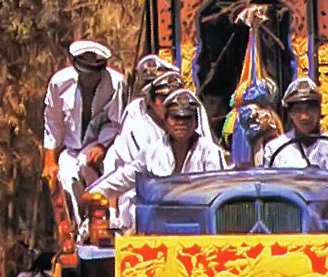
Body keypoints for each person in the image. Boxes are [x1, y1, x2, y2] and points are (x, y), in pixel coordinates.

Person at [85, 89, 226, 229]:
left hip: (200, 225)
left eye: (187, 118)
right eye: (176, 117)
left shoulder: (210, 152)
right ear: (165, 121)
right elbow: (125, 177)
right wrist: (96, 192)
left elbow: (220, 192)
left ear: (196, 122)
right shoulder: (152, 152)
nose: (181, 123)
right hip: (158, 224)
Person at [42, 40, 125, 226]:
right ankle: (79, 230)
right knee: (67, 175)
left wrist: (102, 145)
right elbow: (52, 120)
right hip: (72, 147)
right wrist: (49, 159)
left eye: (94, 75)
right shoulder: (59, 82)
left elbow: (117, 122)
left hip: (107, 143)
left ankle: (111, 223)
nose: (89, 79)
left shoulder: (117, 83)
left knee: (105, 170)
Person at [262, 77, 328, 169]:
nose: (305, 117)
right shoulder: (274, 149)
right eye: (298, 110)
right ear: (290, 114)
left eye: (310, 109)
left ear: (319, 111)